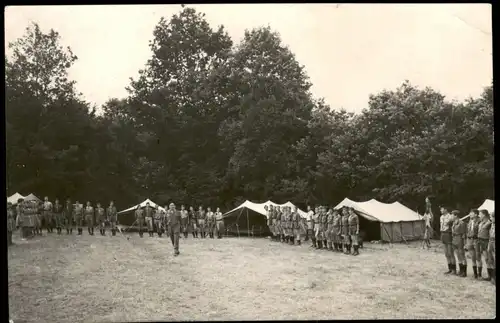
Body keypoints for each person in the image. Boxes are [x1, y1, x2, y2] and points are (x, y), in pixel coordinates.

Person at [440, 206, 456, 275]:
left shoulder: (450, 216)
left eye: (442, 209)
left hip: (448, 234)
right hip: (443, 233)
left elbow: (453, 224)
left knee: (450, 253)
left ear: (446, 209)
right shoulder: (441, 217)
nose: (441, 210)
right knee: (446, 254)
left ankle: (454, 270)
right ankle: (449, 269)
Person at [477, 209, 492, 281]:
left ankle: (491, 276)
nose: (479, 215)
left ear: (484, 214)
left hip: (485, 241)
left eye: (480, 214)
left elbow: (490, 234)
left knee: (487, 259)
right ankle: (479, 274)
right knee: (479, 257)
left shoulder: (489, 223)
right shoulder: (481, 222)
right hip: (480, 240)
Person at [451, 210, 467, 276]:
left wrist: (465, 244)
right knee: (458, 255)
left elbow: (464, 234)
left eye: (452, 215)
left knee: (462, 255)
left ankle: (464, 272)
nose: (451, 216)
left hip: (460, 239)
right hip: (454, 240)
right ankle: (460, 270)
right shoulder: (454, 222)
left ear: (456, 215)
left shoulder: (462, 223)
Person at [466, 209, 480, 278]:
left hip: (476, 240)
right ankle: (475, 274)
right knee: (473, 257)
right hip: (470, 240)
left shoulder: (479, 221)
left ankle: (479, 273)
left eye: (471, 213)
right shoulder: (470, 221)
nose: (470, 214)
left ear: (476, 214)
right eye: (470, 213)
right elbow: (468, 230)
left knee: (478, 257)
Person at [487, 211, 495, 285]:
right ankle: (492, 276)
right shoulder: (491, 224)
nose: (490, 218)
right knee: (490, 259)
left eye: (491, 217)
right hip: (490, 241)